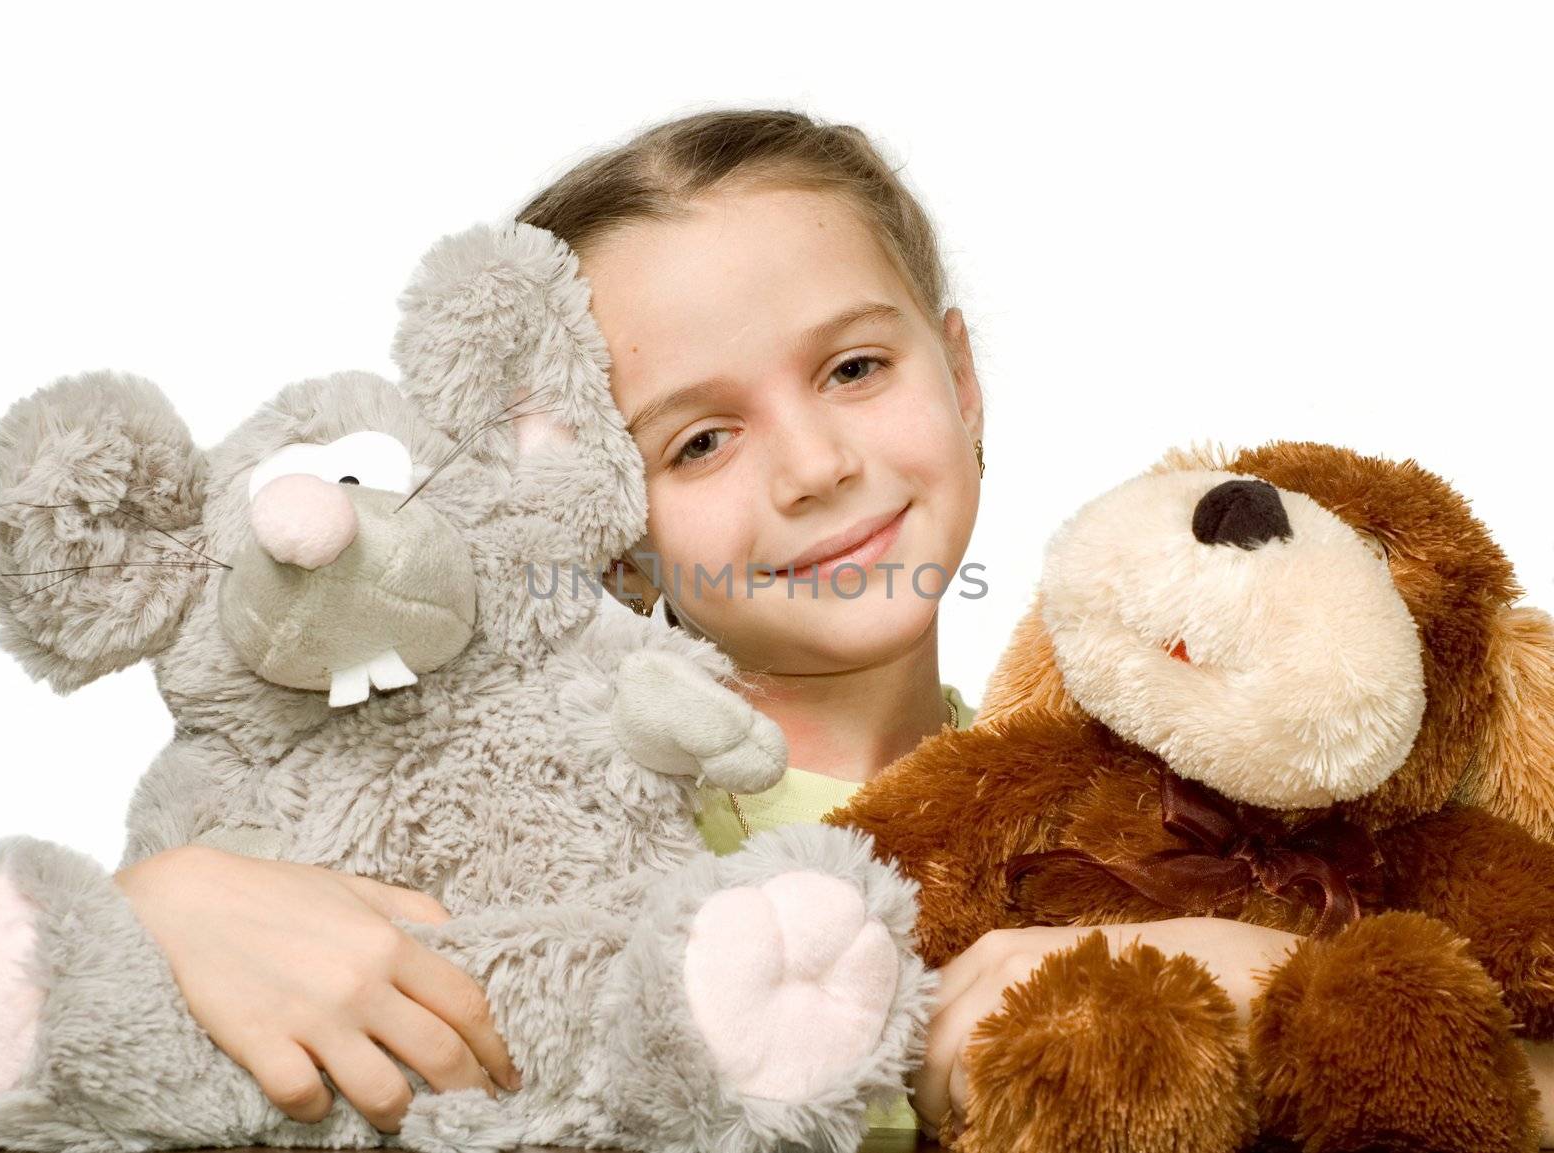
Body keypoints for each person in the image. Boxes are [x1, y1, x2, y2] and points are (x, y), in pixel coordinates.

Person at [112, 107, 1554, 1144]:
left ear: (963, 378)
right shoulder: (538, 840)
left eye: (856, 366)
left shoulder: (1175, 788)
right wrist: (149, 917)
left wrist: (1291, 997)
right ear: (599, 525)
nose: (814, 466)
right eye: (698, 444)